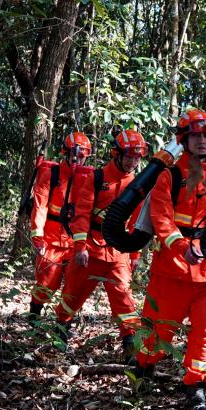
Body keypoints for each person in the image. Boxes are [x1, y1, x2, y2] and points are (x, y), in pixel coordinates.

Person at [132, 109, 206, 410]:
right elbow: (162, 219)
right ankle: (142, 370)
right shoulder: (169, 175)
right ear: (184, 139)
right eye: (196, 135)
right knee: (157, 332)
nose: (202, 141)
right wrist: (181, 247)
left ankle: (196, 390)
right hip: (171, 270)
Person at [54, 129, 147, 358]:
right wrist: (80, 247)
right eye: (129, 156)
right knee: (72, 296)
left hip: (118, 252)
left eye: (137, 157)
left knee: (123, 298)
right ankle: (60, 332)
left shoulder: (137, 184)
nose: (133, 161)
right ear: (117, 154)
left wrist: (134, 255)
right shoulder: (96, 178)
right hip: (90, 249)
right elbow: (82, 213)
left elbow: (136, 221)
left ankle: (130, 346)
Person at [27, 131, 92, 320]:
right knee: (46, 283)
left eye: (81, 156)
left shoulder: (90, 177)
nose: (77, 159)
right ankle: (34, 318)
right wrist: (37, 238)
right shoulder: (51, 174)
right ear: (66, 152)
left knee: (73, 288)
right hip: (51, 239)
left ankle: (63, 327)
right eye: (74, 155)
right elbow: (40, 206)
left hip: (76, 242)